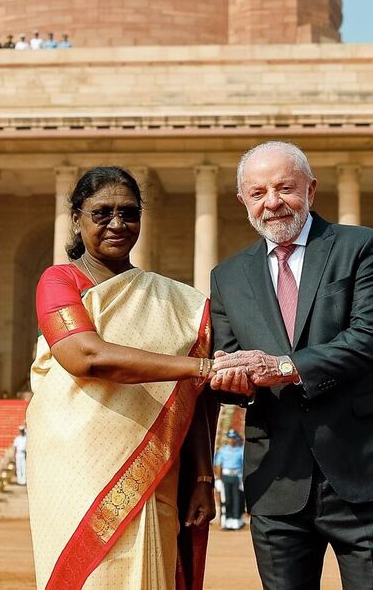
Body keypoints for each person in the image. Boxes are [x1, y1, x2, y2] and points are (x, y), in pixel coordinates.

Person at [207, 142, 373, 590]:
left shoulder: (359, 246)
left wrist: (286, 366)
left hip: (363, 464)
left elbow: (371, 339)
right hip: (277, 474)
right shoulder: (227, 276)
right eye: (258, 192)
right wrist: (231, 380)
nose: (272, 203)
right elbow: (232, 362)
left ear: (311, 189)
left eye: (285, 187)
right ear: (243, 201)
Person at [28, 165, 218, 589]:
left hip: (155, 468)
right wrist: (202, 366)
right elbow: (86, 356)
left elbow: (195, 400)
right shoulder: (60, 281)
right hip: (75, 472)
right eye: (102, 213)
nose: (117, 224)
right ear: (77, 218)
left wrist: (203, 477)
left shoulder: (177, 303)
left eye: (129, 213)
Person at [215, 430, 247, 531]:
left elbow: (244, 465)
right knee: (227, 499)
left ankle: (236, 522)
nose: (232, 440)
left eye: (234, 438)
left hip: (237, 476)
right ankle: (226, 521)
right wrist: (218, 479)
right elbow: (218, 465)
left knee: (237, 499)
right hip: (226, 476)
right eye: (230, 438)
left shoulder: (240, 450)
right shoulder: (223, 450)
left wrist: (243, 478)